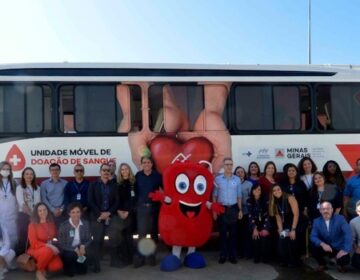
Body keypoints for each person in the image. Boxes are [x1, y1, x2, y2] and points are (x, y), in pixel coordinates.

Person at [87, 163, 122, 271]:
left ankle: (114, 260)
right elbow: (90, 201)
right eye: (104, 170)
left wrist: (108, 213)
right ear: (100, 172)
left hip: (110, 216)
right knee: (97, 240)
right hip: (97, 216)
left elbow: (117, 201)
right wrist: (100, 214)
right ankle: (96, 264)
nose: (106, 172)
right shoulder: (93, 185)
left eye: (108, 170)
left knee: (114, 237)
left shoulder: (114, 185)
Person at [134, 156, 162, 268]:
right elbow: (134, 191)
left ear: (152, 164)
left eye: (148, 162)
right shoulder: (138, 176)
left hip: (154, 209)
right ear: (141, 164)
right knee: (142, 235)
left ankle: (152, 257)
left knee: (154, 235)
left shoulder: (157, 176)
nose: (146, 164)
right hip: (141, 209)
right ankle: (141, 258)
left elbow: (164, 189)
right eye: (144, 162)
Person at [213, 157, 242, 264]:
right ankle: (223, 255)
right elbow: (214, 196)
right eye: (227, 164)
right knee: (223, 233)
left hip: (234, 208)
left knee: (234, 234)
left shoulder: (237, 179)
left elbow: (239, 196)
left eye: (230, 164)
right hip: (221, 209)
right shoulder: (218, 179)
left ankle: (233, 255)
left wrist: (240, 210)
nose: (229, 166)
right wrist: (214, 211)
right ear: (223, 166)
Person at [310, 201, 352, 273]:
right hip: (326, 247)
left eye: (328, 208)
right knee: (312, 246)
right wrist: (322, 244)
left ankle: (341, 265)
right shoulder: (316, 221)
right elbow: (313, 236)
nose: (326, 211)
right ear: (320, 210)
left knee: (344, 259)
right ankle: (322, 264)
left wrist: (345, 249)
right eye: (323, 209)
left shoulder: (340, 219)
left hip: (339, 246)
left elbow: (348, 234)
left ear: (332, 209)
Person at [27, 203, 63, 280]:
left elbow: (55, 237)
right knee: (48, 251)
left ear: (47, 210)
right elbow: (33, 243)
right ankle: (39, 271)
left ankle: (43, 264)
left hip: (50, 249)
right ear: (37, 212)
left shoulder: (51, 223)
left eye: (44, 210)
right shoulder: (32, 225)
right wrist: (49, 246)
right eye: (40, 210)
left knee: (57, 266)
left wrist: (55, 244)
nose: (42, 212)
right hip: (35, 249)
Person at [281, 163, 309, 258]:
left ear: (296, 172)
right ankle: (288, 254)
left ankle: (301, 254)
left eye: (293, 170)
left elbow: (305, 197)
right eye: (289, 170)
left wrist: (305, 209)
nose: (291, 172)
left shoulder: (301, 184)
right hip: (287, 213)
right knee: (288, 234)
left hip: (299, 212)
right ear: (286, 172)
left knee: (299, 233)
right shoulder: (283, 184)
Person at [269, 184, 300, 267]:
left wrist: (293, 229)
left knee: (292, 240)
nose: (276, 191)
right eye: (274, 190)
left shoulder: (290, 198)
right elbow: (278, 217)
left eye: (278, 189)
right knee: (281, 240)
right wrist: (280, 229)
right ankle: (284, 260)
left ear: (281, 189)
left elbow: (296, 214)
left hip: (296, 223)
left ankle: (294, 261)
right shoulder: (274, 201)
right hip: (285, 224)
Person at [58, 202, 92, 277]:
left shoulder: (86, 224)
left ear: (81, 213)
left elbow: (89, 238)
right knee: (70, 273)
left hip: (81, 249)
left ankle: (78, 265)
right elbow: (61, 243)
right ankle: (68, 267)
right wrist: (75, 249)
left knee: (83, 272)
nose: (76, 214)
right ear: (69, 213)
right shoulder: (64, 226)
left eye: (78, 212)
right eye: (73, 212)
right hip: (69, 250)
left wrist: (83, 246)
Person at [16, 167, 41, 255]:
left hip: (35, 216)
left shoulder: (37, 188)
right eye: (27, 174)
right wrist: (31, 215)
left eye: (31, 174)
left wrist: (35, 216)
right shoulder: (20, 188)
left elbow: (39, 203)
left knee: (33, 236)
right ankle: (22, 256)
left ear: (34, 176)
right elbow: (22, 204)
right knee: (23, 237)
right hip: (24, 215)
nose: (29, 176)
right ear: (23, 176)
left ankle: (32, 255)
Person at [117, 163, 137, 265]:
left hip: (130, 213)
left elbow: (134, 200)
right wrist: (120, 212)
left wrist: (128, 212)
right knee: (122, 236)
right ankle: (124, 257)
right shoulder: (118, 184)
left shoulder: (133, 183)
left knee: (129, 236)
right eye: (122, 169)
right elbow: (116, 200)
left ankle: (131, 257)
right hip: (120, 213)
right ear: (120, 172)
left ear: (129, 170)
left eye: (126, 169)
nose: (124, 171)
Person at [247, 184, 271, 263]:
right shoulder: (249, 201)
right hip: (254, 223)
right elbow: (250, 216)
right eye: (255, 189)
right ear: (252, 191)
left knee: (264, 239)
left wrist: (265, 228)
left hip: (265, 222)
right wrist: (254, 228)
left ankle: (265, 257)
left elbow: (268, 215)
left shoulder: (265, 200)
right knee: (255, 238)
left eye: (259, 189)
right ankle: (256, 256)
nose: (257, 191)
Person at [234, 166, 252, 258]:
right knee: (237, 233)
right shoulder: (233, 183)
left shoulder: (249, 184)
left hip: (246, 212)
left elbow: (251, 197)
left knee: (246, 233)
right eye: (238, 172)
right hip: (235, 211)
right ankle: (239, 253)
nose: (240, 173)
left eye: (242, 172)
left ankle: (247, 253)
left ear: (244, 174)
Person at [0, 161, 18, 249]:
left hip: (12, 218)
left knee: (13, 240)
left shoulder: (14, 183)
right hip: (1, 217)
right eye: (3, 169)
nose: (6, 171)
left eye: (8, 169)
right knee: (2, 241)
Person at [350, 200, 360, 269]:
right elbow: (352, 239)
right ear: (356, 212)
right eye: (359, 211)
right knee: (356, 262)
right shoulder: (353, 222)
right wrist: (356, 247)